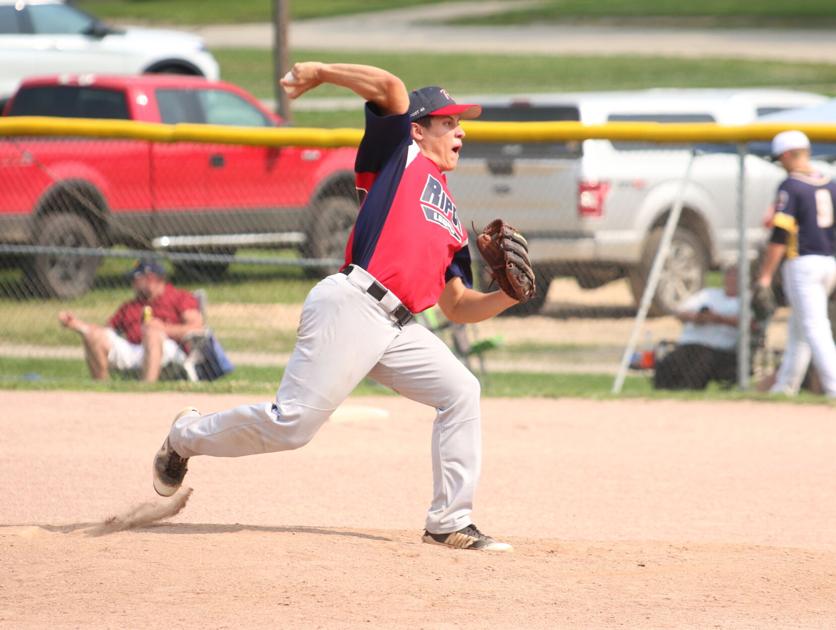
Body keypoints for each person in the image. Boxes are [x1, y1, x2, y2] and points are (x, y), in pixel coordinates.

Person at [151, 63, 523, 552]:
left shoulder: (452, 216)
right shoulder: (399, 155)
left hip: (400, 327)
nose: (461, 130)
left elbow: (456, 306)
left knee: (461, 391)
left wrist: (507, 296)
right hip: (353, 304)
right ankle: (184, 436)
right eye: (448, 122)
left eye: (460, 123)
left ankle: (449, 521)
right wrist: (320, 72)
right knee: (292, 427)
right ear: (418, 129)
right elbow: (390, 88)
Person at [755, 130, 836, 398]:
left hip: (803, 262)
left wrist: (766, 274)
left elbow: (781, 233)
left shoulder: (791, 185)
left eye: (781, 159)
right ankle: (785, 387)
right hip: (829, 260)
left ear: (788, 155)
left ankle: (834, 386)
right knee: (800, 327)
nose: (781, 164)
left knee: (815, 326)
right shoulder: (829, 183)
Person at [58, 259, 204, 382]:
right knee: (93, 336)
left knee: (151, 334)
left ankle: (146, 390)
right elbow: (106, 332)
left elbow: (197, 328)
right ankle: (102, 389)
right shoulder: (130, 306)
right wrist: (76, 325)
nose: (133, 283)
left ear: (151, 278)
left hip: (168, 348)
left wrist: (162, 329)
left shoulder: (180, 297)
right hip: (134, 350)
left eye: (136, 279)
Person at [653, 265, 740, 390]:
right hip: (689, 345)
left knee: (699, 359)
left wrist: (718, 319)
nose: (732, 280)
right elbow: (681, 313)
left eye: (736, 277)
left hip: (719, 351)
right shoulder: (708, 294)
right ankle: (662, 394)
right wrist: (698, 317)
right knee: (669, 362)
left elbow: (750, 323)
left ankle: (689, 391)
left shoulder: (744, 300)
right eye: (729, 276)